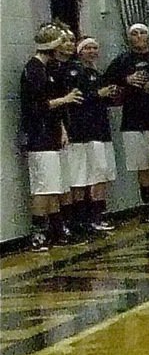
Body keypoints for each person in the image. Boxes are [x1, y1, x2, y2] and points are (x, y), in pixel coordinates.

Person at [19, 24, 83, 251]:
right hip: (39, 136)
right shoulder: (34, 69)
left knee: (54, 185)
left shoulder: (48, 69)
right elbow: (37, 105)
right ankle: (38, 234)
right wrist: (65, 99)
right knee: (43, 187)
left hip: (51, 134)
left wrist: (62, 129)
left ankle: (58, 229)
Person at [102, 23, 149, 222]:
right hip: (132, 120)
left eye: (142, 33)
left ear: (148, 36)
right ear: (129, 38)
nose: (138, 37)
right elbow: (104, 83)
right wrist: (125, 81)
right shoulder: (122, 61)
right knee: (141, 166)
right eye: (134, 34)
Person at [65, 38, 120, 236]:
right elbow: (77, 100)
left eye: (95, 47)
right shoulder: (75, 72)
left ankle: (96, 215)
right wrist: (98, 94)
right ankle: (85, 218)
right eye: (87, 48)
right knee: (85, 176)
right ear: (79, 51)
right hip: (84, 133)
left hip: (101, 130)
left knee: (101, 174)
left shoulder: (96, 73)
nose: (91, 51)